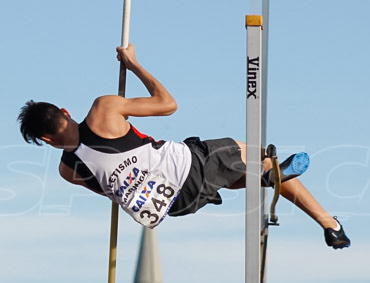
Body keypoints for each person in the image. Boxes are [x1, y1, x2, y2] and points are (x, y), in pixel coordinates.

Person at [17, 44, 350, 249]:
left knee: (225, 175)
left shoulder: (67, 171)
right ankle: (325, 222)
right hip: (184, 166)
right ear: (64, 111)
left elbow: (113, 193)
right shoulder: (104, 109)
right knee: (260, 155)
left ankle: (259, 178)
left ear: (45, 140)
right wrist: (134, 65)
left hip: (173, 207)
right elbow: (168, 104)